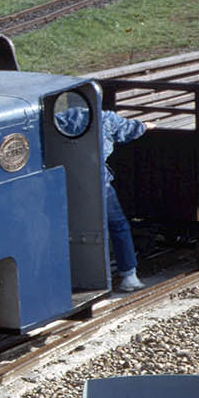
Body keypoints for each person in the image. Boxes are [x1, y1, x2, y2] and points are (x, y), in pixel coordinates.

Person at [55, 104, 146, 292]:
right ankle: (129, 275)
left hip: (65, 181)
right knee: (118, 224)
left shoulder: (60, 119)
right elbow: (130, 130)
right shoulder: (106, 118)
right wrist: (147, 125)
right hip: (97, 182)